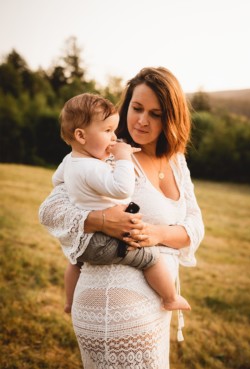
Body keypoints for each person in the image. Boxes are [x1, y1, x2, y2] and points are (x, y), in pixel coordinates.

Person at [39, 66, 204, 369]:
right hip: (114, 306)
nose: (142, 120)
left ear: (172, 117)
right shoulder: (107, 156)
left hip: (154, 311)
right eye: (137, 108)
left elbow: (194, 225)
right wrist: (100, 221)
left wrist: (157, 234)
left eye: (155, 114)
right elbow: (50, 211)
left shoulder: (177, 162)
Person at [53, 92, 191, 313]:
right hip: (102, 241)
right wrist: (123, 158)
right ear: (81, 135)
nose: (114, 137)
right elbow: (122, 189)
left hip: (86, 242)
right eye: (108, 131)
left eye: (155, 114)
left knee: (75, 262)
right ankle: (170, 297)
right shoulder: (94, 166)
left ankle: (69, 302)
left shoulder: (70, 161)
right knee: (150, 258)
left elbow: (56, 180)